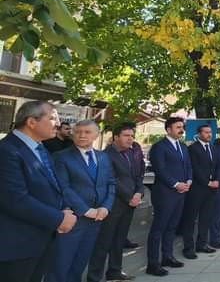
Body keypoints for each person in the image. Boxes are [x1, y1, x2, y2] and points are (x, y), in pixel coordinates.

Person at [0, 101, 77, 282]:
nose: (58, 124)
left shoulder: (40, 148)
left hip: (41, 241)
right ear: (31, 122)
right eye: (51, 118)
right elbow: (15, 199)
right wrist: (59, 219)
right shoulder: (8, 150)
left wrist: (65, 210)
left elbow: (53, 185)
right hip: (16, 247)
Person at [48, 120, 116, 282]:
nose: (82, 135)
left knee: (80, 263)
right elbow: (63, 187)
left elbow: (111, 183)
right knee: (60, 265)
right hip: (73, 218)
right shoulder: (61, 157)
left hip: (97, 220)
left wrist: (106, 207)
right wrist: (86, 210)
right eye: (78, 132)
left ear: (96, 135)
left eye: (87, 132)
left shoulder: (103, 157)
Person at [87, 123, 144, 282]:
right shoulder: (106, 155)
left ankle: (115, 271)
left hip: (130, 203)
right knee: (103, 242)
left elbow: (139, 175)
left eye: (132, 136)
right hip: (113, 204)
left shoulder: (132, 153)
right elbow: (112, 180)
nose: (130, 139)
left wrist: (139, 193)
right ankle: (94, 276)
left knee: (120, 240)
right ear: (115, 137)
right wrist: (129, 197)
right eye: (126, 136)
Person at [146, 117, 192, 277]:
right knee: (159, 228)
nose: (181, 129)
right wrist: (176, 184)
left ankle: (167, 256)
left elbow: (188, 166)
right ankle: (152, 263)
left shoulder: (183, 146)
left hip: (181, 192)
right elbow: (161, 169)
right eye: (178, 127)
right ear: (168, 129)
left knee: (172, 227)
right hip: (165, 193)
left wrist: (188, 181)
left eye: (182, 127)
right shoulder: (159, 147)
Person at [181, 125, 220, 259]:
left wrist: (216, 180)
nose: (209, 135)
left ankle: (202, 244)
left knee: (206, 217)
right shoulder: (192, 148)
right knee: (191, 219)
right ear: (199, 134)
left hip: (211, 189)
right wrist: (207, 182)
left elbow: (218, 166)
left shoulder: (213, 148)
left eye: (210, 132)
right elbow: (194, 168)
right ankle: (188, 248)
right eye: (206, 132)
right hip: (197, 189)